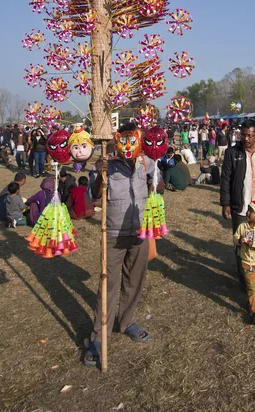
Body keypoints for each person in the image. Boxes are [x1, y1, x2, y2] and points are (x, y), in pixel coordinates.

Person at [84, 122, 155, 367]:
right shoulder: (107, 163)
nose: (129, 144)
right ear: (116, 139)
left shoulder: (147, 162)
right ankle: (97, 338)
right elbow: (93, 196)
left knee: (134, 280)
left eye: (134, 138)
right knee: (108, 285)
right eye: (123, 139)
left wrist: (155, 176)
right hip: (113, 233)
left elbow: (159, 189)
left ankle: (127, 322)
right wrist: (99, 174)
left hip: (140, 232)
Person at [220, 119, 255, 281]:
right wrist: (225, 203)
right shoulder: (232, 153)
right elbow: (226, 179)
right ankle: (244, 278)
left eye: (250, 135)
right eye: (243, 135)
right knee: (241, 244)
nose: (246, 139)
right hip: (241, 207)